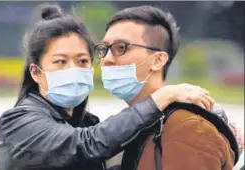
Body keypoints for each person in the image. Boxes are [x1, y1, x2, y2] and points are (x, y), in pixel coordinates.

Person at [0, 4, 216, 170]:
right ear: (36, 73)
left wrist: (218, 127)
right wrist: (161, 97)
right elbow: (85, 145)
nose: (108, 59)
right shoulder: (19, 123)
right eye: (60, 61)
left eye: (82, 61)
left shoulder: (89, 125)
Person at [96, 5, 240, 170]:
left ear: (158, 60)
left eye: (121, 48)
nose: (106, 59)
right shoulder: (135, 126)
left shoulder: (186, 127)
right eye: (104, 49)